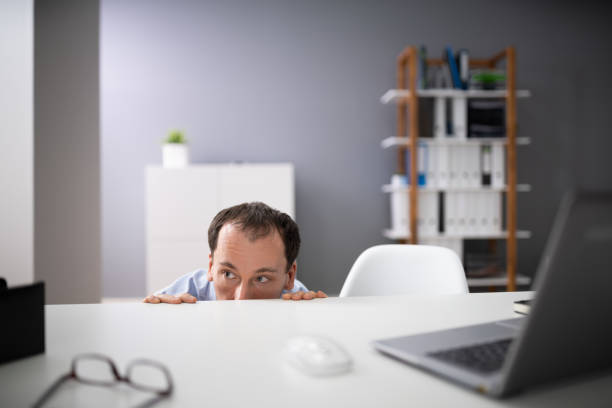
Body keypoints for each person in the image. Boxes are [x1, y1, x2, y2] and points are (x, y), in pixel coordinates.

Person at [143, 202, 327, 303]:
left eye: (261, 278)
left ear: (289, 276)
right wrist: (159, 317)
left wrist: (319, 322)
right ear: (211, 267)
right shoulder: (187, 291)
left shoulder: (297, 300)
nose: (241, 299)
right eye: (229, 274)